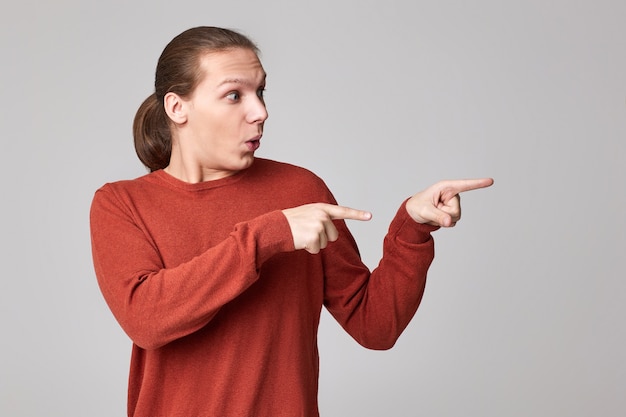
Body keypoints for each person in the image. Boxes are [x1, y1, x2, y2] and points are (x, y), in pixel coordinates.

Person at [89, 26, 493, 417]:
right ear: (178, 108)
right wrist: (269, 235)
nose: (260, 111)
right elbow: (147, 320)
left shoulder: (299, 189)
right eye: (234, 95)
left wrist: (413, 228)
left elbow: (375, 325)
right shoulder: (123, 203)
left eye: (260, 91)